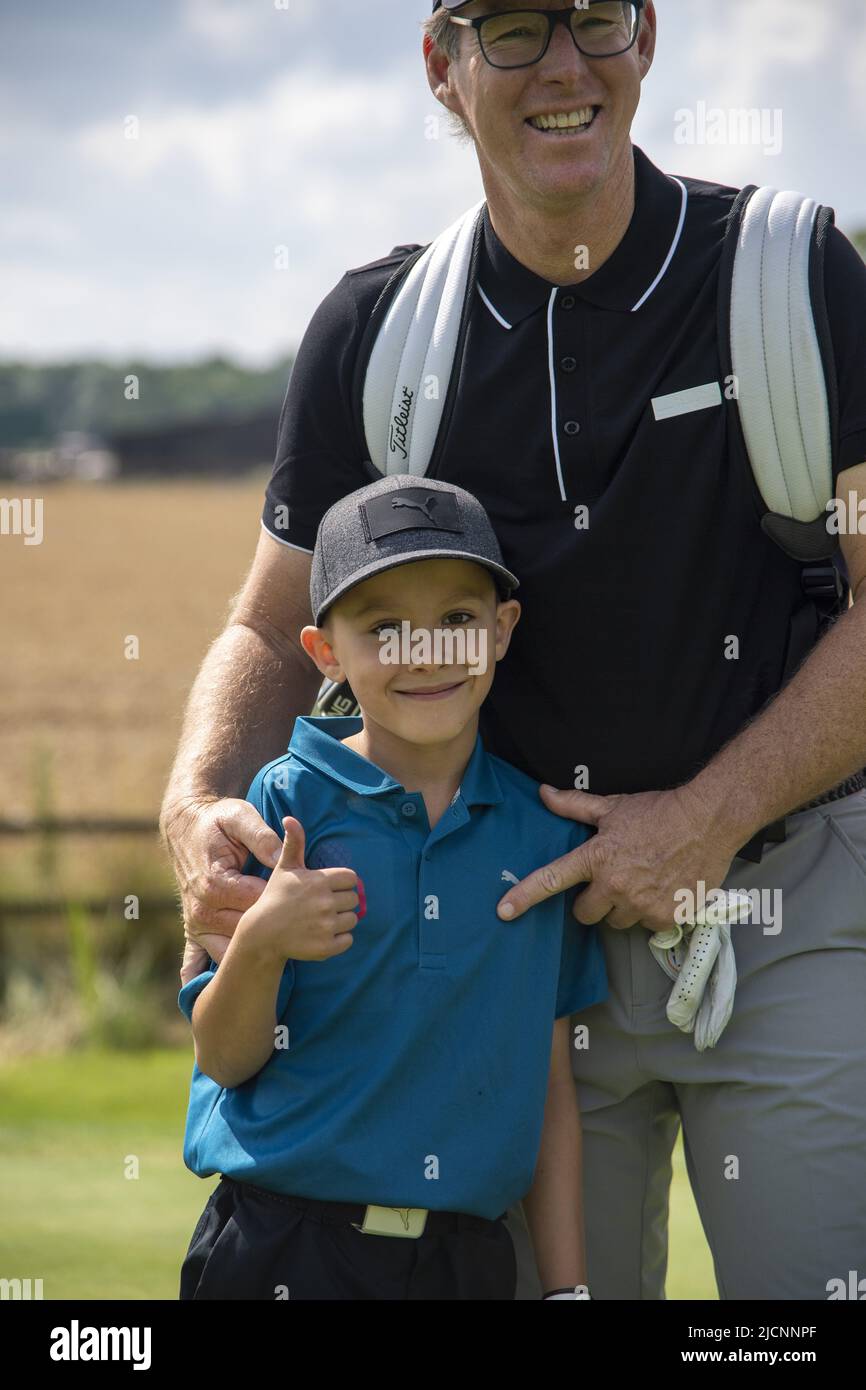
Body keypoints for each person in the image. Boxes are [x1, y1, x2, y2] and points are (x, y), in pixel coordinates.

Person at [161, 0, 866, 1298]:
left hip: (783, 909)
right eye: (516, 27)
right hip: (510, 953)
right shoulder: (377, 333)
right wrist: (195, 803)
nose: (564, 65)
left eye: (595, 19)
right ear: (444, 62)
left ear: (645, 37)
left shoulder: (794, 274)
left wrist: (708, 817)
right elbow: (268, 622)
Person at [176, 474, 608, 1301]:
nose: (428, 653)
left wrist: (567, 1289)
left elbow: (548, 1090)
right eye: (384, 628)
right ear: (325, 652)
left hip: (464, 1264)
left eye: (456, 620)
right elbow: (226, 1058)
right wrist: (263, 942)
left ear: (503, 629)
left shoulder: (541, 835)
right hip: (281, 1250)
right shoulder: (280, 809)